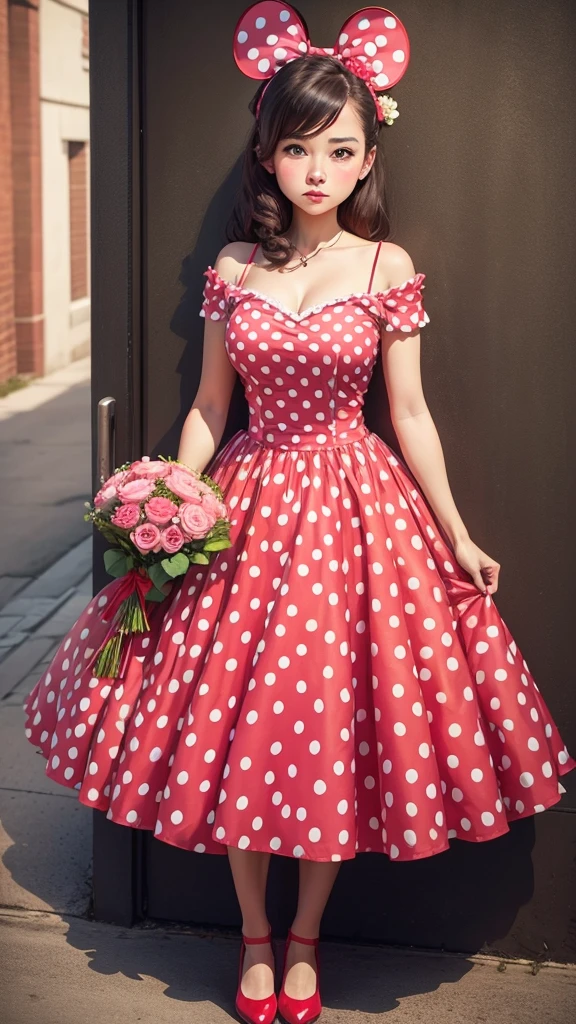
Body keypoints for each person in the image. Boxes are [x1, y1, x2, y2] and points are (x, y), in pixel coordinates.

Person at [23, 5, 575, 1024]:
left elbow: (409, 411)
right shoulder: (236, 268)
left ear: (367, 158)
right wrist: (177, 501)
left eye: (339, 149)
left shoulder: (385, 268)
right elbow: (207, 407)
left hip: (354, 513)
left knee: (324, 725)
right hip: (249, 503)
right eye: (296, 148)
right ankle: (254, 935)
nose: (316, 169)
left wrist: (456, 532)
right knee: (230, 733)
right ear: (267, 155)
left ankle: (307, 938)